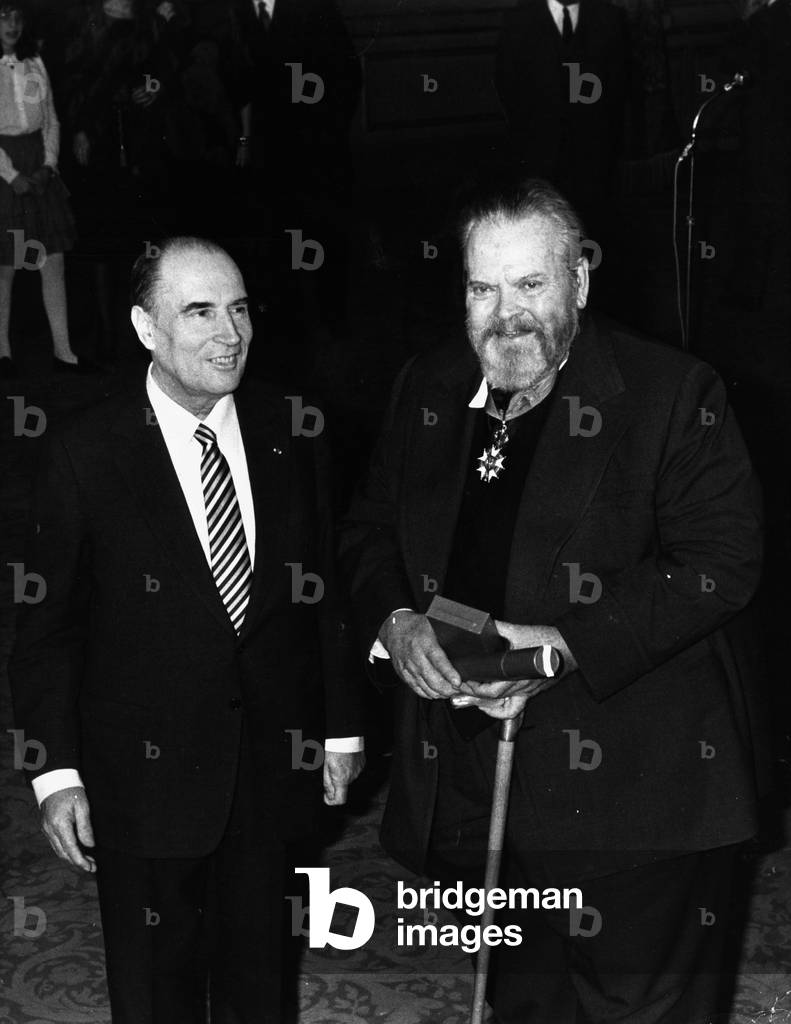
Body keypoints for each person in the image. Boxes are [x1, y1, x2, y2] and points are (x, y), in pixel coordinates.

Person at [339, 176, 767, 1024]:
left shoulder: (670, 394)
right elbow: (367, 532)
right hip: (478, 790)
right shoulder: (427, 386)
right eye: (482, 287)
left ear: (577, 282)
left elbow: (721, 562)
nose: (507, 314)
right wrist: (395, 621)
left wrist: (563, 642)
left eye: (531, 284)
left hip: (638, 795)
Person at [9, 236, 365, 1024]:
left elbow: (321, 595)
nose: (227, 333)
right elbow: (46, 631)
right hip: (142, 779)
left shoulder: (293, 426)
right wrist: (55, 773)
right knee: (155, 992)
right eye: (199, 312)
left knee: (259, 983)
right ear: (146, 328)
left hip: (271, 769)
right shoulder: (84, 453)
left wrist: (339, 729)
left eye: (237, 309)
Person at [495, 0, 629, 244]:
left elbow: (619, 91)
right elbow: (508, 88)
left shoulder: (610, 18)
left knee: (593, 241)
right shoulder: (518, 20)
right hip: (536, 163)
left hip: (594, 166)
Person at [0, 1, 82, 377]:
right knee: (6, 264)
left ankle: (64, 352)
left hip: (38, 163)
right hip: (5, 168)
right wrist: (11, 175)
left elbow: (51, 117)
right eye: (3, 17)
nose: (12, 24)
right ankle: (2, 352)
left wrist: (49, 164)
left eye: (17, 17)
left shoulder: (35, 61)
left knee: (54, 261)